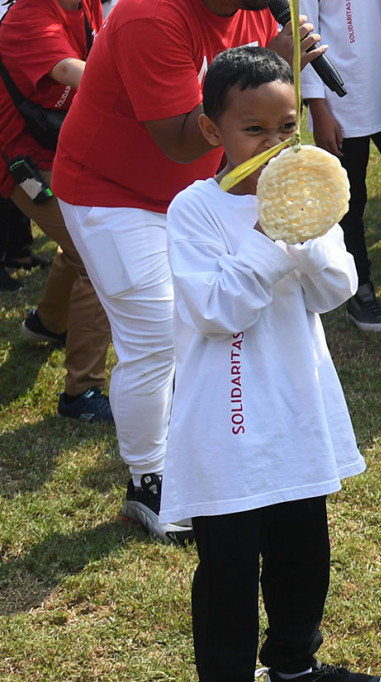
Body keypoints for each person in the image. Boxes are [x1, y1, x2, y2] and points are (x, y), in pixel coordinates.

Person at [50, 0, 323, 544]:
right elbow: (178, 140)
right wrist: (268, 61)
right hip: (114, 195)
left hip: (196, 192)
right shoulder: (151, 16)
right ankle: (147, 481)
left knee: (204, 328)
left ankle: (196, 450)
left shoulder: (253, 11)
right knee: (153, 338)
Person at [160, 46, 379, 682]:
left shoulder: (310, 200)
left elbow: (333, 289)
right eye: (253, 129)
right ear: (213, 131)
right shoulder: (193, 209)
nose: (273, 143)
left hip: (295, 407)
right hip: (226, 421)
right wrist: (270, 234)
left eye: (286, 128)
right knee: (228, 566)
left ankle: (293, 664)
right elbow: (217, 309)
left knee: (303, 555)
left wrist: (306, 234)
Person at [0, 0, 112, 421]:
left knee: (81, 239)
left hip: (59, 149)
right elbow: (73, 71)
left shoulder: (85, 5)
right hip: (22, 162)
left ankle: (48, 322)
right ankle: (81, 393)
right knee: (99, 255)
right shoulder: (29, 15)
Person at [299, 0, 381, 332]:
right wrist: (318, 108)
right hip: (341, 102)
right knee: (348, 202)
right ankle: (359, 289)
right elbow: (306, 32)